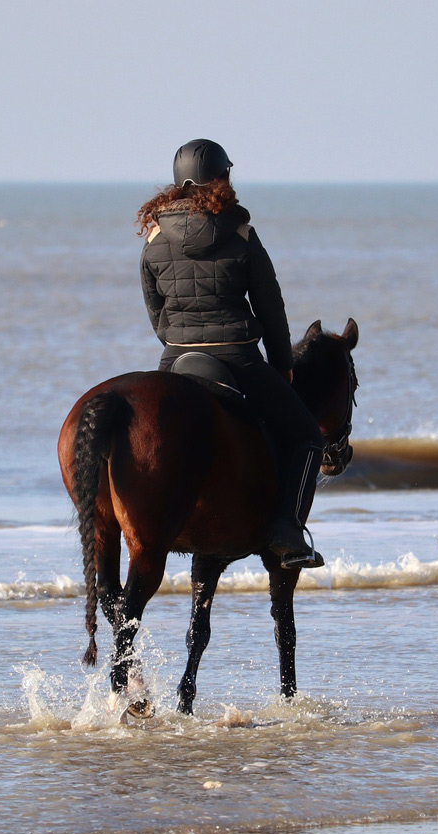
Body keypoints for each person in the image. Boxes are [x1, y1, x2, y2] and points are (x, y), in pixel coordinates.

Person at [137, 139, 325, 570]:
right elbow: (270, 309)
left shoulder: (153, 237)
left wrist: (177, 341)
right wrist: (282, 365)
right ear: (220, 179)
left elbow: (156, 312)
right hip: (238, 358)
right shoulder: (241, 232)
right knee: (308, 438)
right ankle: (287, 530)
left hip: (176, 359)